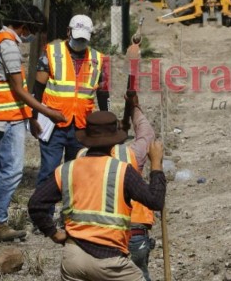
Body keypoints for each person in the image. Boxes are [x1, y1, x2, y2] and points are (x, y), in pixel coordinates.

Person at [28, 111, 166, 281]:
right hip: (110, 262)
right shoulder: (122, 171)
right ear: (114, 141)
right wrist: (156, 164)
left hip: (74, 259)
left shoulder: (67, 169)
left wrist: (54, 233)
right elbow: (155, 201)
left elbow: (35, 204)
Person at [0, 5, 66, 242]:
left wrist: (31, 118)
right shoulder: (8, 46)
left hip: (8, 115)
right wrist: (47, 112)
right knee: (12, 171)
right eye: (33, 31)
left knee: (4, 169)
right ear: (25, 26)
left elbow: (16, 88)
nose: (32, 37)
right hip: (7, 117)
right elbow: (18, 88)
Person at [77, 92, 156, 281]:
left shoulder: (80, 158)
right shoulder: (131, 154)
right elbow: (146, 133)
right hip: (132, 233)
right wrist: (135, 108)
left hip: (91, 239)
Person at [29, 14, 110, 192]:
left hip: (81, 127)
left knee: (76, 175)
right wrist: (32, 118)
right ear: (68, 32)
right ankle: (43, 215)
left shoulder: (98, 59)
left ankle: (70, 217)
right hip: (53, 125)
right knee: (49, 173)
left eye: (83, 39)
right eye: (77, 37)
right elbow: (38, 89)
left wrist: (107, 124)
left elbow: (103, 94)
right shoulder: (52, 52)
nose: (80, 42)